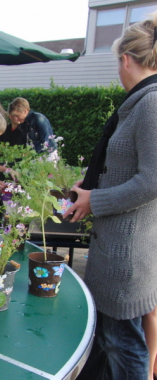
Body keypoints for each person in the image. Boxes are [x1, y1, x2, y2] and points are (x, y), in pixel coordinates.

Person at [65, 12, 157, 380]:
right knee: (106, 345)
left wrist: (94, 201)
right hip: (117, 251)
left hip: (127, 259)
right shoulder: (141, 102)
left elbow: (153, 180)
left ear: (125, 60)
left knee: (124, 347)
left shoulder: (150, 104)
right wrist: (90, 190)